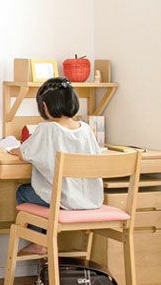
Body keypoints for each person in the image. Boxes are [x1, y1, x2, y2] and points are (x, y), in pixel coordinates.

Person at [8, 77, 103, 255]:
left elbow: (25, 151)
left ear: (44, 106)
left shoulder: (47, 129)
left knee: (23, 192)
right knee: (46, 191)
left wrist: (16, 150)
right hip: (90, 199)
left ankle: (39, 242)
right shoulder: (86, 129)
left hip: (64, 200)